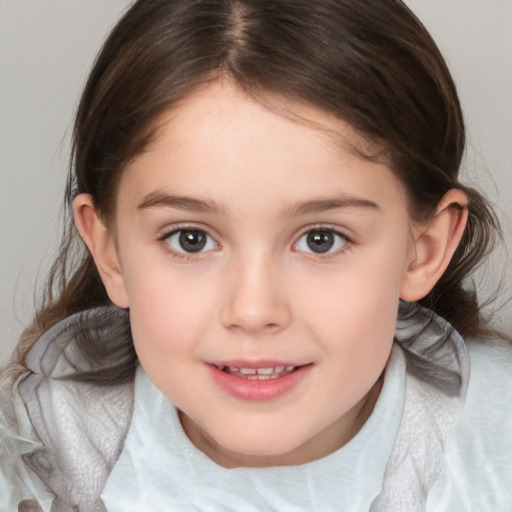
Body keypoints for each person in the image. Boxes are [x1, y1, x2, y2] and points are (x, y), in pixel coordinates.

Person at [1, 0, 511, 510]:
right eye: (191, 239)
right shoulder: (31, 463)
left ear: (422, 250)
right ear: (110, 252)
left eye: (321, 239)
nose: (253, 310)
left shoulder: (495, 453)